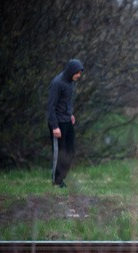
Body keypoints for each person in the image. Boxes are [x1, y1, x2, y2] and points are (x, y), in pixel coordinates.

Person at [47, 59, 84, 188]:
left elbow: (66, 102)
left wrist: (70, 114)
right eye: (78, 73)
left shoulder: (70, 82)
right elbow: (51, 107)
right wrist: (55, 126)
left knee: (70, 151)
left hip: (67, 121)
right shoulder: (57, 83)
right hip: (58, 123)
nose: (79, 75)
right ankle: (56, 182)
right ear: (71, 71)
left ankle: (61, 178)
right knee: (60, 153)